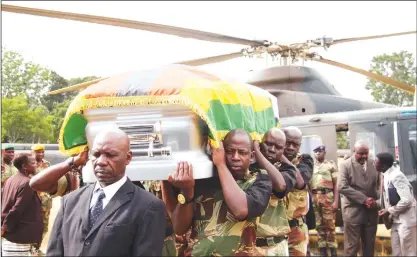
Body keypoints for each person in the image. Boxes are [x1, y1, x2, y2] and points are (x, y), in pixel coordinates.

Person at [46, 128, 167, 256]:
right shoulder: (70, 201)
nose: (101, 161)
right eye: (96, 154)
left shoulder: (148, 206)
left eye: (110, 155)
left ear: (128, 158)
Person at [161, 128, 272, 256]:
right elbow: (179, 228)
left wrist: (221, 165)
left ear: (252, 156)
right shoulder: (204, 178)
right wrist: (187, 190)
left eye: (242, 152)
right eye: (230, 152)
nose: (235, 157)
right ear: (222, 152)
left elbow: (240, 210)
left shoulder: (260, 180)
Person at [253, 128, 297, 256]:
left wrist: (257, 152)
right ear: (261, 143)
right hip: (252, 247)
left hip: (277, 246)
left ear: (283, 151)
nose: (272, 149)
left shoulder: (288, 170)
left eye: (278, 147)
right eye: (268, 144)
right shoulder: (249, 167)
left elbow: (280, 186)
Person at [338, 140, 379, 257]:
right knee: (352, 247)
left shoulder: (374, 164)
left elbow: (379, 186)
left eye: (366, 153)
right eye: (361, 153)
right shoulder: (345, 165)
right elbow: (342, 186)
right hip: (353, 213)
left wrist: (375, 203)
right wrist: (364, 199)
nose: (364, 156)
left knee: (369, 247)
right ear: (353, 151)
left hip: (371, 213)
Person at [375, 152, 416, 256]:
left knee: (408, 252)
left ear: (383, 165)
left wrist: (389, 211)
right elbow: (387, 199)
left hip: (405, 221)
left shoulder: (397, 176)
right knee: (397, 252)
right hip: (395, 221)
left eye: (376, 162)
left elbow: (407, 200)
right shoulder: (385, 175)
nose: (374, 164)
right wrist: (375, 203)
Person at [1, 153, 43, 256]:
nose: (36, 164)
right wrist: (4, 227)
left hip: (10, 240)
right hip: (19, 241)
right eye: (33, 163)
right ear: (24, 166)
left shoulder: (10, 179)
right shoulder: (27, 183)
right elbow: (17, 209)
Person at [282, 127, 314, 257]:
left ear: (299, 146)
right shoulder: (271, 161)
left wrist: (282, 158)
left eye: (294, 144)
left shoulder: (304, 160)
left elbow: (300, 181)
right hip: (273, 230)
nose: (290, 147)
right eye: (287, 143)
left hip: (295, 229)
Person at [310, 145, 339, 257]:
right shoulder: (311, 166)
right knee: (319, 225)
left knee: (330, 225)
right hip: (315, 197)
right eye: (316, 151)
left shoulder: (330, 165)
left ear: (324, 152)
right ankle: (322, 251)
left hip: (327, 196)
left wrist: (336, 201)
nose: (318, 153)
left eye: (320, 151)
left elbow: (336, 185)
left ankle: (333, 251)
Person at [31, 144, 51, 255]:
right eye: (38, 152)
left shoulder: (47, 164)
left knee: (44, 225)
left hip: (46, 201)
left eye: (42, 152)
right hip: (33, 200)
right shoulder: (29, 164)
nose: (41, 154)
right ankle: (31, 247)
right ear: (32, 153)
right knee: (33, 223)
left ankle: (37, 247)